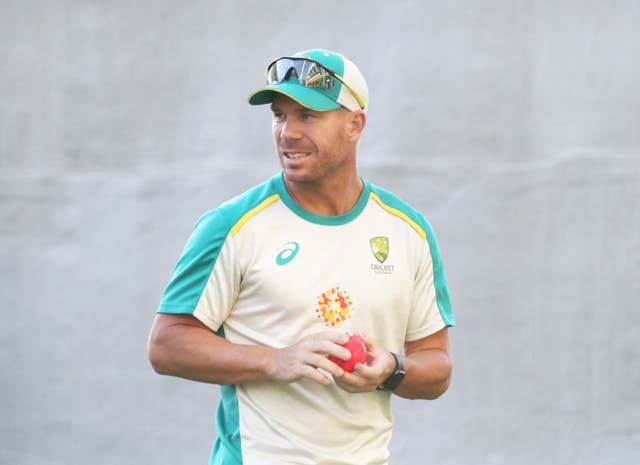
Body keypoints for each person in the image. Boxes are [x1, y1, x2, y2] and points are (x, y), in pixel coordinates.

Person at [148, 48, 456, 465]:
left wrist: (391, 369)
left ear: (355, 124)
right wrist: (275, 360)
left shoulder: (408, 232)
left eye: (307, 116)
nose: (287, 132)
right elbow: (167, 344)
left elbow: (436, 368)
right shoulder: (231, 226)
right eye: (279, 115)